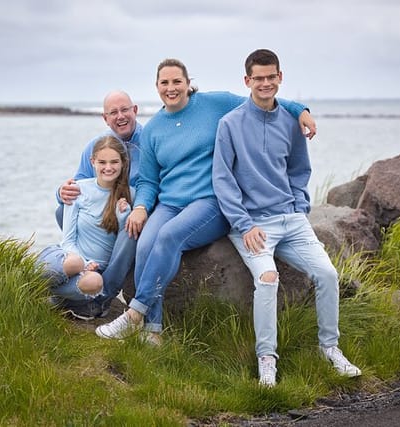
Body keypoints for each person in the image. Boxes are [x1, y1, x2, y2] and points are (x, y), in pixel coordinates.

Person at [95, 58, 317, 346]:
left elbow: (262, 97)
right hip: (170, 203)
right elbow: (149, 181)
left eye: (177, 81)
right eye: (165, 82)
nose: (171, 87)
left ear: (188, 83)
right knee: (146, 242)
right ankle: (153, 330)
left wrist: (301, 111)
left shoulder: (215, 104)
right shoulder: (153, 129)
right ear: (157, 87)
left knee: (170, 235)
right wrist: (140, 207)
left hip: (210, 202)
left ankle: (134, 314)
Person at [211, 49, 361, 386]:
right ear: (247, 81)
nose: (265, 83)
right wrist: (244, 224)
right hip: (251, 223)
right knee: (267, 277)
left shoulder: (291, 122)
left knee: (327, 274)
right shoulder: (230, 124)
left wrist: (298, 205)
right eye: (258, 78)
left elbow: (298, 169)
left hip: (290, 219)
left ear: (280, 77)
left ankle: (329, 348)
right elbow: (222, 179)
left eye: (271, 77)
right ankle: (267, 358)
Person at [53, 91, 142, 319]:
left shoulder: (149, 141)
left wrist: (140, 209)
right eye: (113, 112)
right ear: (105, 118)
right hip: (102, 219)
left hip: (134, 213)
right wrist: (60, 192)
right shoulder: (96, 146)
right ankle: (82, 269)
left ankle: (104, 292)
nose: (120, 116)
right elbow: (79, 188)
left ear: (135, 110)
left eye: (124, 110)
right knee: (61, 210)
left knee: (131, 225)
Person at [39, 135, 135, 313]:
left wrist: (123, 219)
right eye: (102, 162)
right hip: (66, 259)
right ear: (93, 162)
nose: (108, 167)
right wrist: (83, 263)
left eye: (114, 162)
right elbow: (67, 241)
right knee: (74, 262)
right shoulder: (78, 189)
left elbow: (125, 246)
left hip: (92, 272)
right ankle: (25, 287)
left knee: (95, 282)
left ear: (123, 163)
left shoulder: (131, 195)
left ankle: (51, 297)